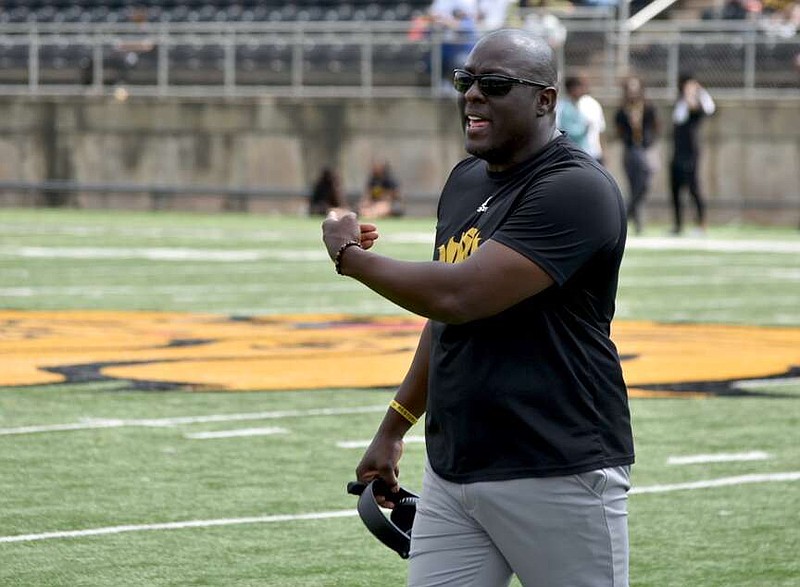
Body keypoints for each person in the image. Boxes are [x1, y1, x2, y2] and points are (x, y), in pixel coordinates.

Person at [322, 28, 634, 587]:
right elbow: (443, 318)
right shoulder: (467, 180)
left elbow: (460, 296)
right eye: (465, 81)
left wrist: (349, 255)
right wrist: (395, 426)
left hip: (556, 467)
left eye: (494, 84)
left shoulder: (575, 189)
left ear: (545, 99)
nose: (472, 95)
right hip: (455, 469)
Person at [670, 73, 716, 235]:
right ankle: (678, 225)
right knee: (675, 188)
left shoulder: (697, 104)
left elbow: (708, 108)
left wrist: (697, 91)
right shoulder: (679, 102)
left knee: (693, 187)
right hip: (677, 151)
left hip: (690, 152)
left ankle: (701, 223)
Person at [614, 75, 659, 235]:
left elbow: (655, 127)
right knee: (633, 186)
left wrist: (648, 140)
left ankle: (626, 214)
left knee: (644, 183)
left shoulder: (647, 107)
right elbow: (618, 130)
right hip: (630, 149)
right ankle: (638, 224)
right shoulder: (622, 110)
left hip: (645, 148)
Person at [575, 75, 608, 164]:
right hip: (585, 153)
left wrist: (603, 151)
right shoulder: (573, 105)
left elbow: (600, 130)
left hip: (591, 153)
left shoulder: (593, 104)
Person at [555, 76, 591, 153]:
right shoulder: (566, 108)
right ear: (572, 89)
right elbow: (568, 130)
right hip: (573, 151)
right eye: (580, 87)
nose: (582, 90)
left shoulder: (575, 105)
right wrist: (585, 128)